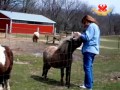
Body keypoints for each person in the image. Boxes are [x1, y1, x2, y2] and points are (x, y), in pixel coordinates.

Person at [74, 15, 100, 90]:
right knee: (89, 67)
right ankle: (88, 84)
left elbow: (87, 37)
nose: (84, 25)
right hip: (93, 50)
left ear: (87, 21)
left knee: (87, 68)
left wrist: (79, 34)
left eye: (84, 23)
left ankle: (89, 86)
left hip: (89, 50)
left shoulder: (91, 26)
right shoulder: (96, 26)